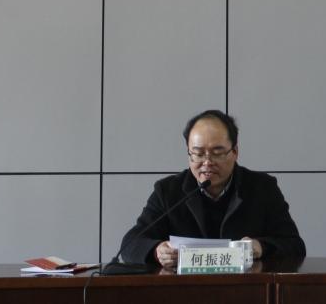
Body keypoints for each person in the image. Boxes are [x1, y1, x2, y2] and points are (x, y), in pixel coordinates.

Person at [119, 109, 306, 268]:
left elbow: (295, 245)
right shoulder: (168, 191)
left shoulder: (263, 188)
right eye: (198, 154)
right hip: (185, 291)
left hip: (245, 290)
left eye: (217, 153)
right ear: (189, 154)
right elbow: (130, 244)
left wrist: (260, 247)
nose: (207, 162)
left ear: (235, 152)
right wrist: (156, 251)